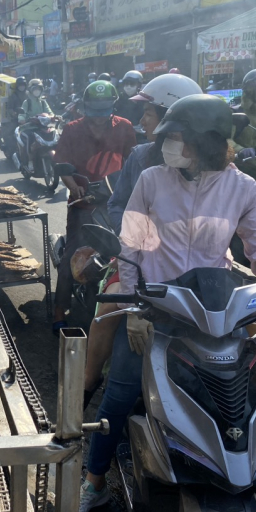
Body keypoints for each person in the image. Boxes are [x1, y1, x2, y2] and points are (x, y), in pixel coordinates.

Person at [79, 94, 256, 512]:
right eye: (169, 138)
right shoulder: (153, 179)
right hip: (156, 308)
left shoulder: (243, 189)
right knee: (118, 398)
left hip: (217, 311)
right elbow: (131, 247)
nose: (171, 146)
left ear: (209, 143)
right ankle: (94, 483)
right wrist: (134, 305)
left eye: (180, 138)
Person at [82, 74, 203, 408]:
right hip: (140, 258)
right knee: (107, 308)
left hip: (197, 267)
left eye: (149, 113)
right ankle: (89, 382)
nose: (143, 120)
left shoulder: (213, 166)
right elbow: (117, 204)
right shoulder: (141, 157)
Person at [51, 80, 136, 333]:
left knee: (129, 252)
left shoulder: (125, 127)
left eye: (104, 110)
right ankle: (59, 310)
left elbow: (133, 162)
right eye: (93, 110)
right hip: (82, 202)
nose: (98, 118)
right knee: (73, 254)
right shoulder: (72, 129)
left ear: (112, 106)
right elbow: (61, 164)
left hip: (116, 201)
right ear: (84, 107)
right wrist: (72, 185)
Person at [16, 79, 54, 170]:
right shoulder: (27, 102)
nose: (37, 91)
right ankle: (30, 161)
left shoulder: (43, 101)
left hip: (42, 127)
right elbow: (22, 114)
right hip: (28, 127)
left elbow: (50, 112)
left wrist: (53, 116)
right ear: (30, 90)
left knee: (54, 136)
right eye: (35, 89)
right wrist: (22, 119)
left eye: (39, 89)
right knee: (30, 139)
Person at [1, 76, 28, 150]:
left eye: (23, 84)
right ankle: (11, 149)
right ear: (17, 86)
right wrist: (14, 113)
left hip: (28, 118)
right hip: (16, 118)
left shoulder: (28, 94)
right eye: (20, 85)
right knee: (12, 133)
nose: (22, 86)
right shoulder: (13, 96)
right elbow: (9, 108)